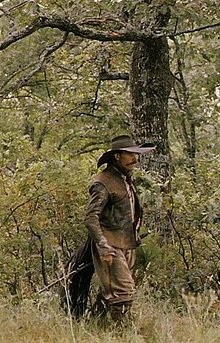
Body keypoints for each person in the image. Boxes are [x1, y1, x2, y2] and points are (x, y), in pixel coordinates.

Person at [83, 134, 154, 323]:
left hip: (126, 242)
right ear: (117, 156)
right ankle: (122, 332)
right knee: (123, 292)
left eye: (135, 154)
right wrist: (103, 245)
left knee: (113, 290)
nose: (134, 159)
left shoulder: (124, 178)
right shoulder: (103, 182)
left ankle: (94, 323)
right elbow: (90, 217)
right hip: (110, 244)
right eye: (129, 154)